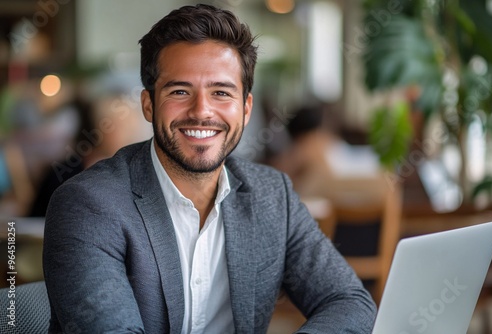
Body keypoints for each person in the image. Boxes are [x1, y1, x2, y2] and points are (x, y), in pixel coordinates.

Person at [43, 4, 377, 333]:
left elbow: (348, 301)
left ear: (246, 108)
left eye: (221, 92)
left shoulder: (272, 196)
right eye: (179, 91)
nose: (202, 111)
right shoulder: (89, 205)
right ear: (149, 104)